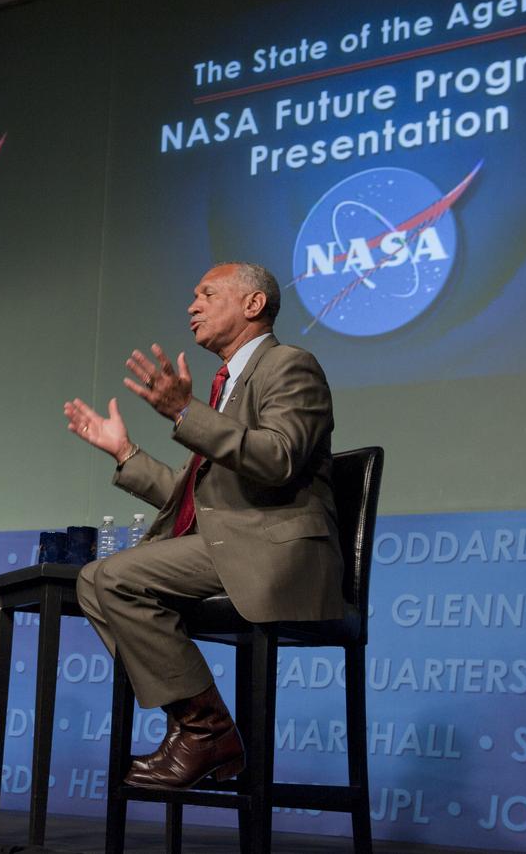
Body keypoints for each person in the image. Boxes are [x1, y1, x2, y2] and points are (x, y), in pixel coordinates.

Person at [64, 262, 343, 790]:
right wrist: (125, 452)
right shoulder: (227, 388)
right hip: (227, 542)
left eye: (207, 294)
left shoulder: (289, 365)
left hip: (273, 554)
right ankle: (198, 728)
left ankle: (206, 731)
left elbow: (280, 458)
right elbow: (198, 498)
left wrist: (185, 412)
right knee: (97, 583)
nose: (192, 305)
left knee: (110, 579)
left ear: (252, 305)